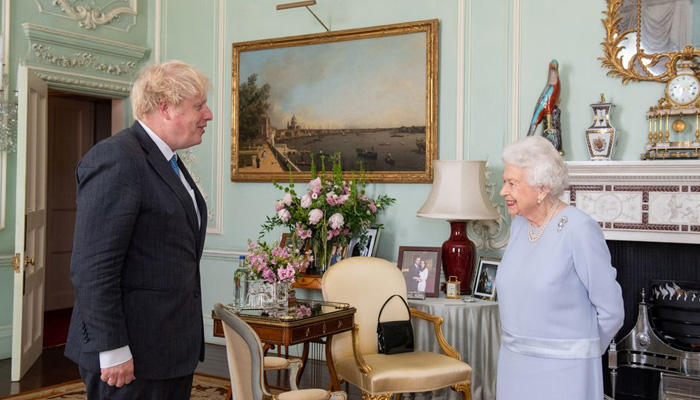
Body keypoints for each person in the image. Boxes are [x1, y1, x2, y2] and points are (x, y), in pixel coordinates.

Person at [65, 60, 213, 399]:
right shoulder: (117, 159)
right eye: (198, 106)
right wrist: (113, 348)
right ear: (165, 107)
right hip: (128, 356)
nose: (208, 115)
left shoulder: (169, 162)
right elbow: (93, 268)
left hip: (168, 350)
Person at [496, 135, 624, 399]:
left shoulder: (579, 229)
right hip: (514, 364)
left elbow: (611, 310)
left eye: (512, 183)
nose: (503, 191)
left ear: (542, 188)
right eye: (504, 182)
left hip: (567, 372)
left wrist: (580, 351)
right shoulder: (520, 225)